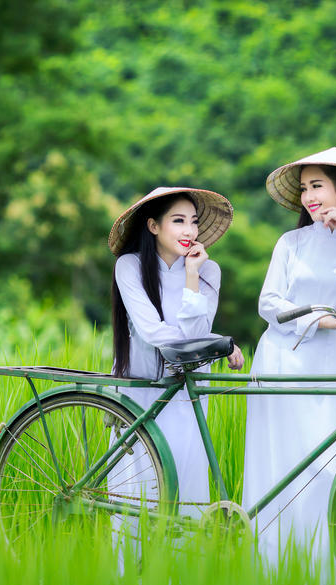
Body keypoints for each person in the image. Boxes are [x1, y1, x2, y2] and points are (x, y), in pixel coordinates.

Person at [242, 147, 336, 569]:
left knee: (328, 466)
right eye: (305, 188)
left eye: (317, 186)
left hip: (327, 366)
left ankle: (324, 575)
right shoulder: (290, 242)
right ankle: (270, 573)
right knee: (279, 464)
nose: (309, 196)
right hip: (279, 360)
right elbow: (268, 303)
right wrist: (321, 320)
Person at [107, 186, 244, 552]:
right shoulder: (131, 266)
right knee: (135, 493)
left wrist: (192, 275)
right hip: (141, 391)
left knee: (186, 486)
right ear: (153, 226)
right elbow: (153, 332)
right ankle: (129, 583)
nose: (189, 231)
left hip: (184, 392)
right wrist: (218, 342)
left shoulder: (207, 269)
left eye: (194, 222)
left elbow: (193, 334)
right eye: (178, 221)